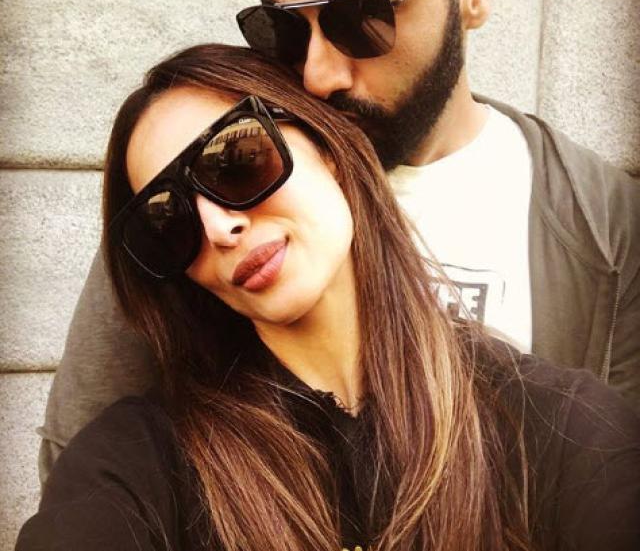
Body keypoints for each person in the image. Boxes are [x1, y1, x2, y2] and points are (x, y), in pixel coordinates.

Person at [38, 0, 640, 484]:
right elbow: (85, 461)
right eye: (285, 28)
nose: (318, 74)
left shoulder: (605, 225)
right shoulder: (211, 184)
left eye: (363, 17)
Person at [16, 44, 640, 551]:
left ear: (329, 149)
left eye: (236, 160)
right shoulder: (141, 462)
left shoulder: (561, 429)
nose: (219, 227)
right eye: (168, 220)